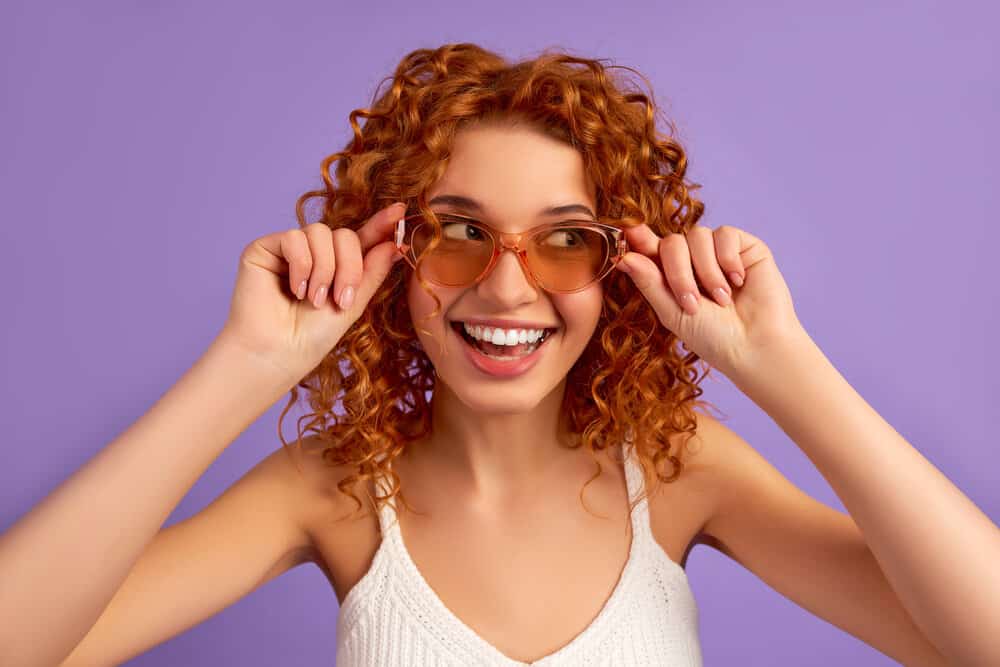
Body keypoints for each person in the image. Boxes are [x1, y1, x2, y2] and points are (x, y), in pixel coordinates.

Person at [1, 42, 990, 667]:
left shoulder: (684, 470)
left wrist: (781, 365)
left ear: (620, 269)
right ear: (389, 254)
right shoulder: (333, 488)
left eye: (565, 240)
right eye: (456, 231)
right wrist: (246, 366)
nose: (507, 288)